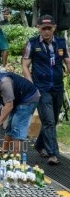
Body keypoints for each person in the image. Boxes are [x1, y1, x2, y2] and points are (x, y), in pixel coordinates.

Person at [22, 15, 70, 165]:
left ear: (54, 28)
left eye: (49, 28)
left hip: (57, 86)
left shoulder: (62, 42)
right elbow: (25, 65)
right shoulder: (32, 43)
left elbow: (68, 60)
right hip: (41, 88)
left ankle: (39, 145)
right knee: (48, 120)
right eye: (44, 28)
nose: (47, 32)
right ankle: (53, 154)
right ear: (39, 28)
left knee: (53, 119)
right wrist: (31, 83)